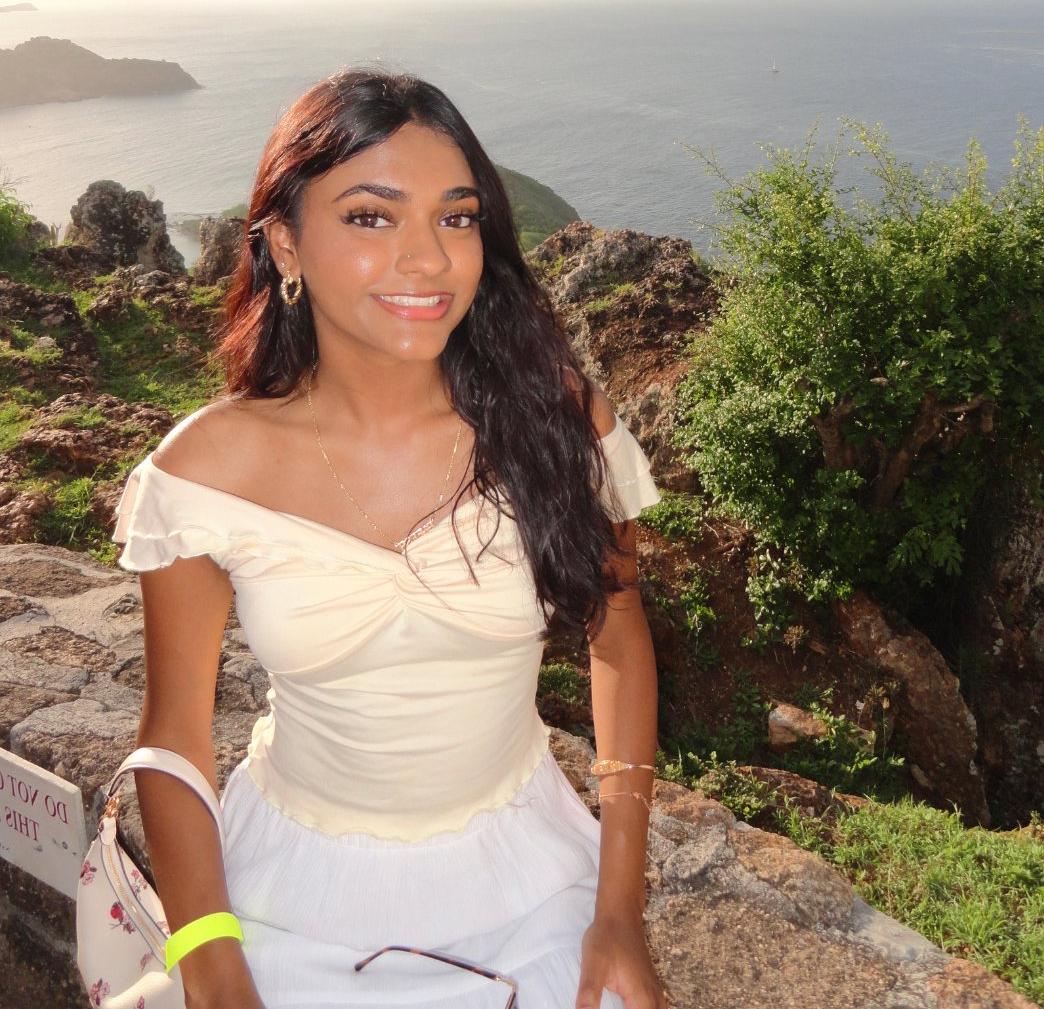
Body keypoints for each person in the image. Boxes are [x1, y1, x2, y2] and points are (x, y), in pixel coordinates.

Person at [113, 69, 667, 1009]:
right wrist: (212, 965)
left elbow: (618, 639)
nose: (428, 260)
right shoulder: (207, 470)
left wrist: (618, 909)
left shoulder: (556, 424)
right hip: (288, 890)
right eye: (372, 218)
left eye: (456, 219)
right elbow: (173, 742)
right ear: (284, 241)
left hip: (528, 878)